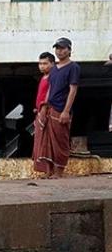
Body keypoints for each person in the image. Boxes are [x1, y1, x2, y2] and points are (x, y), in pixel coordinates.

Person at [33, 37, 80, 178]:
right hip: (50, 108)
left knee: (60, 141)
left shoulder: (73, 67)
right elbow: (50, 89)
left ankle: (59, 171)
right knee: (46, 141)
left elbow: (73, 90)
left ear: (69, 50)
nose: (60, 51)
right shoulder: (54, 69)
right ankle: (49, 171)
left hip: (61, 109)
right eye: (57, 48)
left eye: (63, 48)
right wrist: (44, 106)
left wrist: (66, 111)